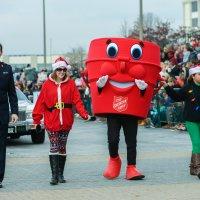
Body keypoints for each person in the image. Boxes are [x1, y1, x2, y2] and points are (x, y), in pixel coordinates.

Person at [32, 57, 90, 185]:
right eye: (59, 69)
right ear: (55, 70)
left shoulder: (70, 84)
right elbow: (40, 102)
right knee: (54, 146)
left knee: (62, 147)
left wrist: (84, 114)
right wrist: (36, 119)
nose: (61, 72)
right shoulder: (47, 84)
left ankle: (60, 174)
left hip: (66, 121)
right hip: (51, 120)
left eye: (64, 69)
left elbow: (77, 101)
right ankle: (54, 176)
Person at [163, 64, 200, 179]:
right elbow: (177, 97)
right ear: (193, 76)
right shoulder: (188, 87)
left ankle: (194, 169)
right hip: (191, 120)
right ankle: (197, 169)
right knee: (197, 143)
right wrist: (167, 88)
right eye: (199, 74)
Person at [0, 43, 18, 188]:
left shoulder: (7, 69)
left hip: (2, 113)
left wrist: (15, 112)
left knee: (1, 146)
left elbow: (12, 92)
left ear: (1, 52)